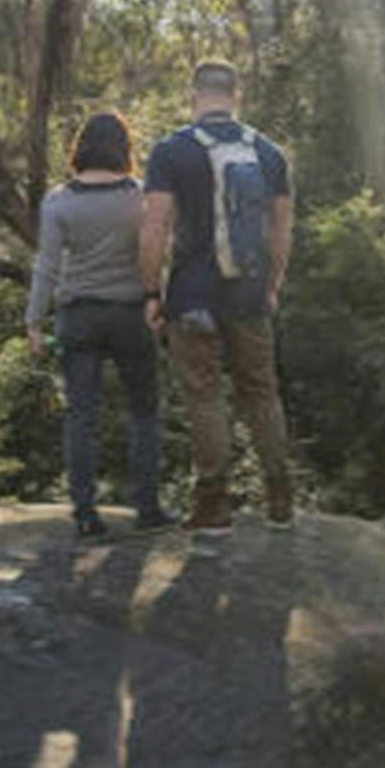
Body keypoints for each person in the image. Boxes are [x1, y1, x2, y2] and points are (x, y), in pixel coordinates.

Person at [138, 59, 296, 536]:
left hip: (192, 295)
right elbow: (283, 230)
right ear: (236, 95)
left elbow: (155, 228)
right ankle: (281, 500)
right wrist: (272, 285)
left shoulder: (172, 151)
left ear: (194, 95)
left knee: (205, 396)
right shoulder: (268, 153)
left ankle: (213, 507)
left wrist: (150, 290)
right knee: (261, 392)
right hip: (249, 290)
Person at [25, 111, 174, 539]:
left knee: (81, 416)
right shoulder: (141, 197)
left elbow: (47, 266)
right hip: (131, 313)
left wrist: (34, 321)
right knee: (144, 411)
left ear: (80, 148)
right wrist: (159, 300)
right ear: (124, 149)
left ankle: (86, 515)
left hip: (79, 316)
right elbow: (157, 251)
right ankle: (148, 508)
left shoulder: (58, 202)